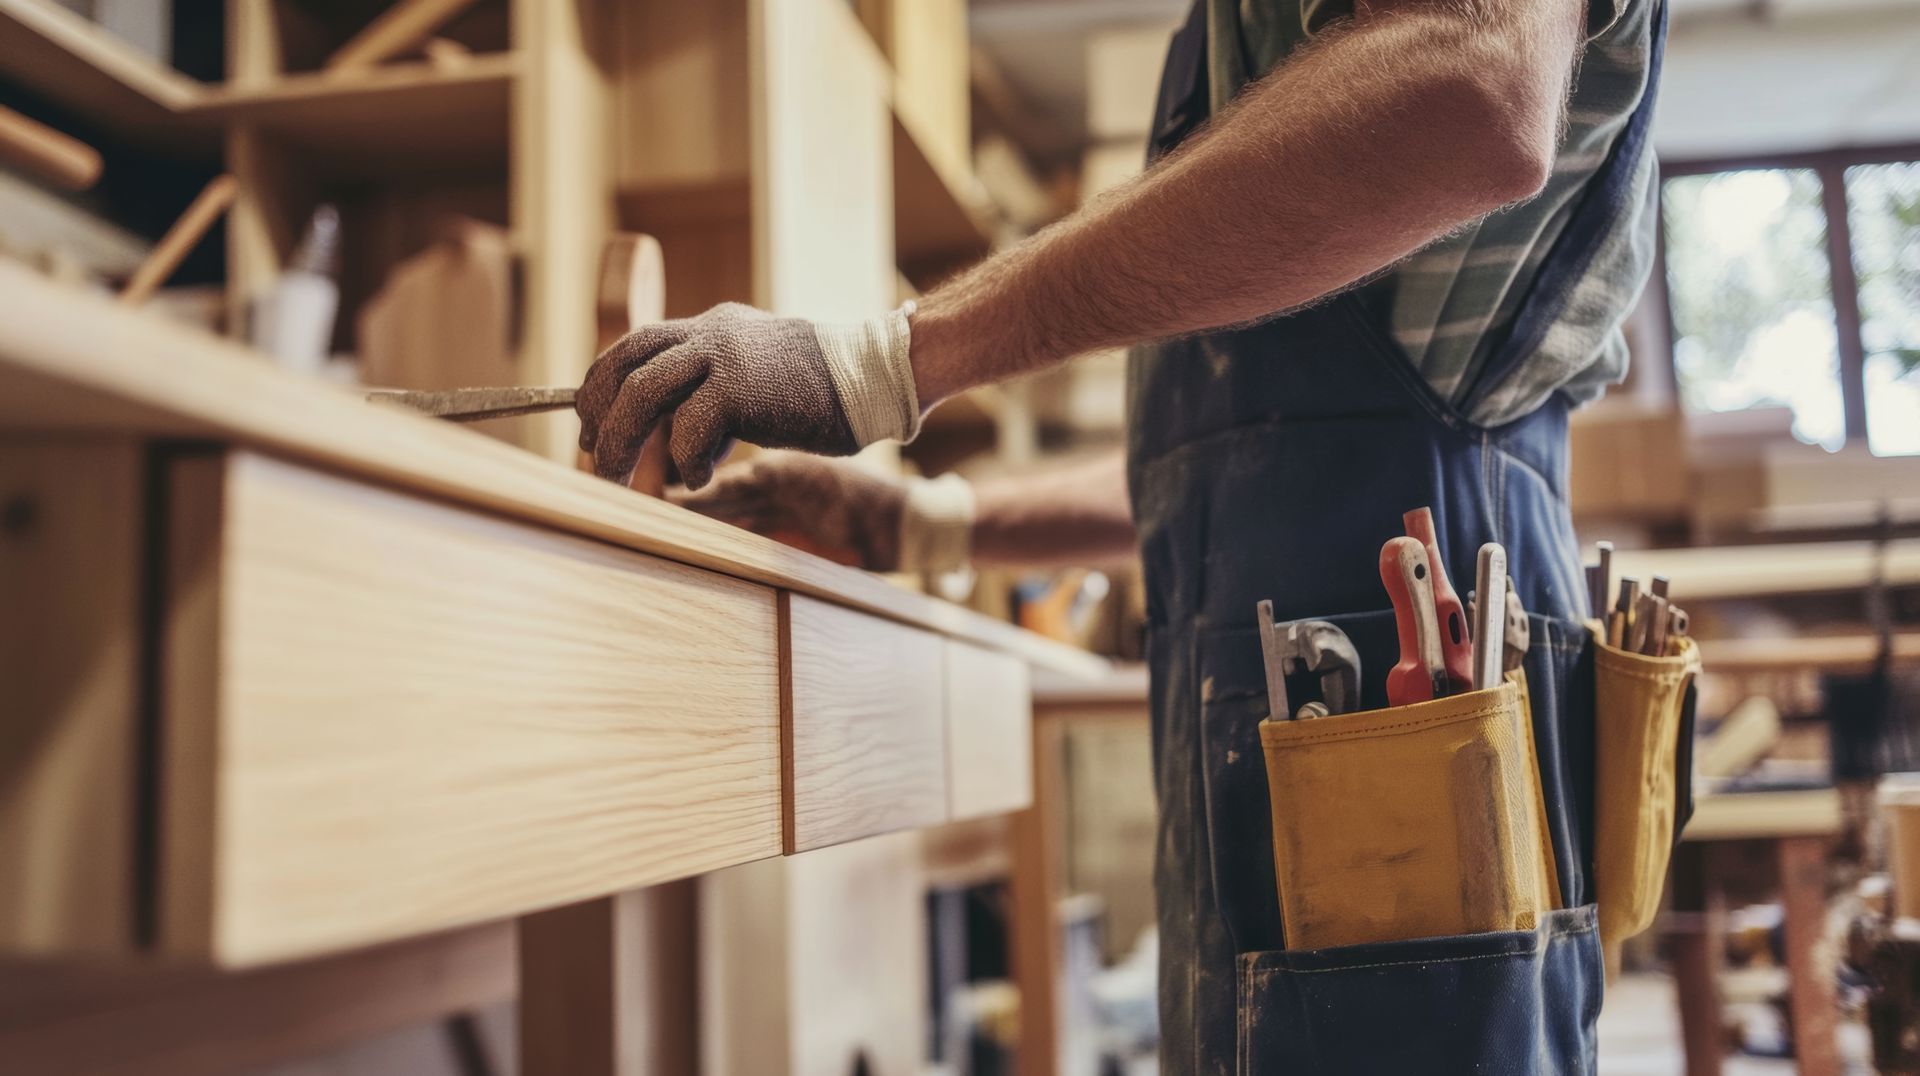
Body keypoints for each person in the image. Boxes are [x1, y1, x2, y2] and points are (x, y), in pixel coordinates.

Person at [577, 0, 1664, 1068]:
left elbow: (1474, 89)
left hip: (1428, 661)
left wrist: (888, 361)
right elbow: (1252, 459)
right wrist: (926, 519)